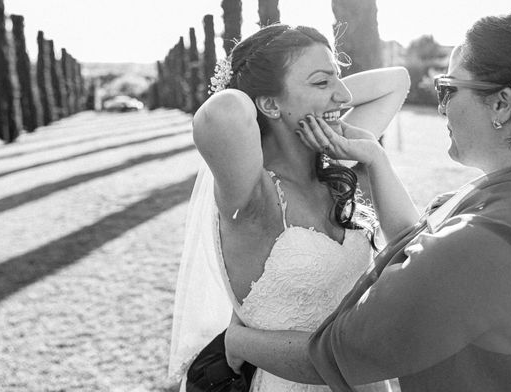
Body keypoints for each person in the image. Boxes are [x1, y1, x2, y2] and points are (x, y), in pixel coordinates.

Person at [224, 3, 511, 391]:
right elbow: (417, 255)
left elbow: (335, 356)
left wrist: (237, 340)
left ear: (501, 104)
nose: (440, 104)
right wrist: (375, 158)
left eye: (448, 89)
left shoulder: (477, 241)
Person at [167, 24, 412, 392]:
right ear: (266, 104)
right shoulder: (252, 197)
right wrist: (260, 89)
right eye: (322, 82)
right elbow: (223, 112)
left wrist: (312, 100)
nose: (344, 96)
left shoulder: (333, 169)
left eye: (339, 77)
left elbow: (397, 80)